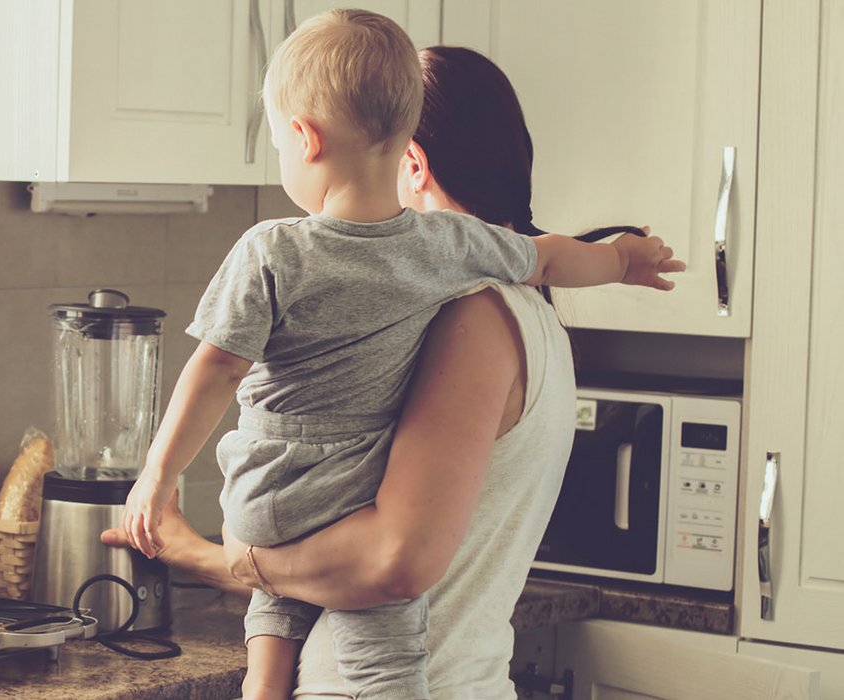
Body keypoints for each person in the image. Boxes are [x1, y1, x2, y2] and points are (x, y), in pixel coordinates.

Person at [117, 11, 683, 700]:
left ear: (411, 159)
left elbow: (392, 564)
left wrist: (195, 532)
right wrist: (624, 257)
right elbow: (554, 255)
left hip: (367, 672)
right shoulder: (503, 293)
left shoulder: (470, 313)